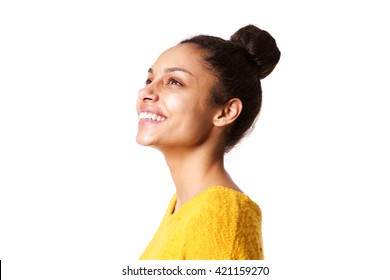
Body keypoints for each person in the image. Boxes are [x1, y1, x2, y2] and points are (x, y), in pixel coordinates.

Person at [135, 24, 280, 260]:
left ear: (225, 112)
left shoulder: (220, 213)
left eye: (174, 82)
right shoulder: (185, 206)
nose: (146, 92)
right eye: (149, 79)